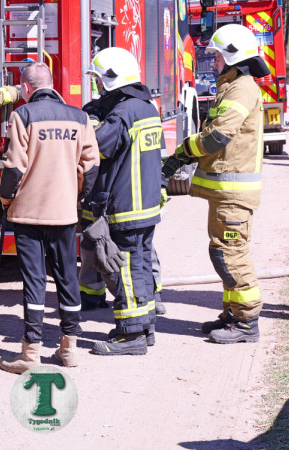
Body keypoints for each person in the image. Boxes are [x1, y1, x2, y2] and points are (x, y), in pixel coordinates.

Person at [163, 24, 267, 344]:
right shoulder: (234, 86)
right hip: (226, 194)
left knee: (231, 254)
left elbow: (218, 136)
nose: (215, 62)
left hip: (233, 194)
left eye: (219, 57)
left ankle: (247, 322)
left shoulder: (242, 89)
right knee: (222, 251)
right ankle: (233, 314)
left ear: (233, 58)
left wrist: (182, 153)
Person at [0, 62, 99, 372]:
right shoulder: (80, 117)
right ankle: (69, 349)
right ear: (52, 84)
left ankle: (30, 355)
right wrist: (75, 196)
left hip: (28, 214)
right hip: (65, 214)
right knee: (68, 278)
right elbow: (91, 167)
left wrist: (4, 200)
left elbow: (13, 168)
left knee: (34, 281)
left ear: (26, 88)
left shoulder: (22, 115)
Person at [82, 47, 164, 356]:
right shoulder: (147, 109)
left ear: (110, 81)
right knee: (141, 267)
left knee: (126, 271)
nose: (98, 88)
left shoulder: (122, 114)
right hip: (147, 206)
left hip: (126, 207)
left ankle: (130, 336)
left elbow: (98, 147)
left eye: (100, 81)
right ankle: (146, 327)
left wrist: (89, 124)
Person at [79, 95, 166, 316]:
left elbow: (96, 146)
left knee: (136, 252)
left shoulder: (127, 112)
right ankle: (91, 294)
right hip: (98, 195)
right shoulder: (95, 109)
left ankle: (150, 296)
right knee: (92, 245)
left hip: (124, 197)